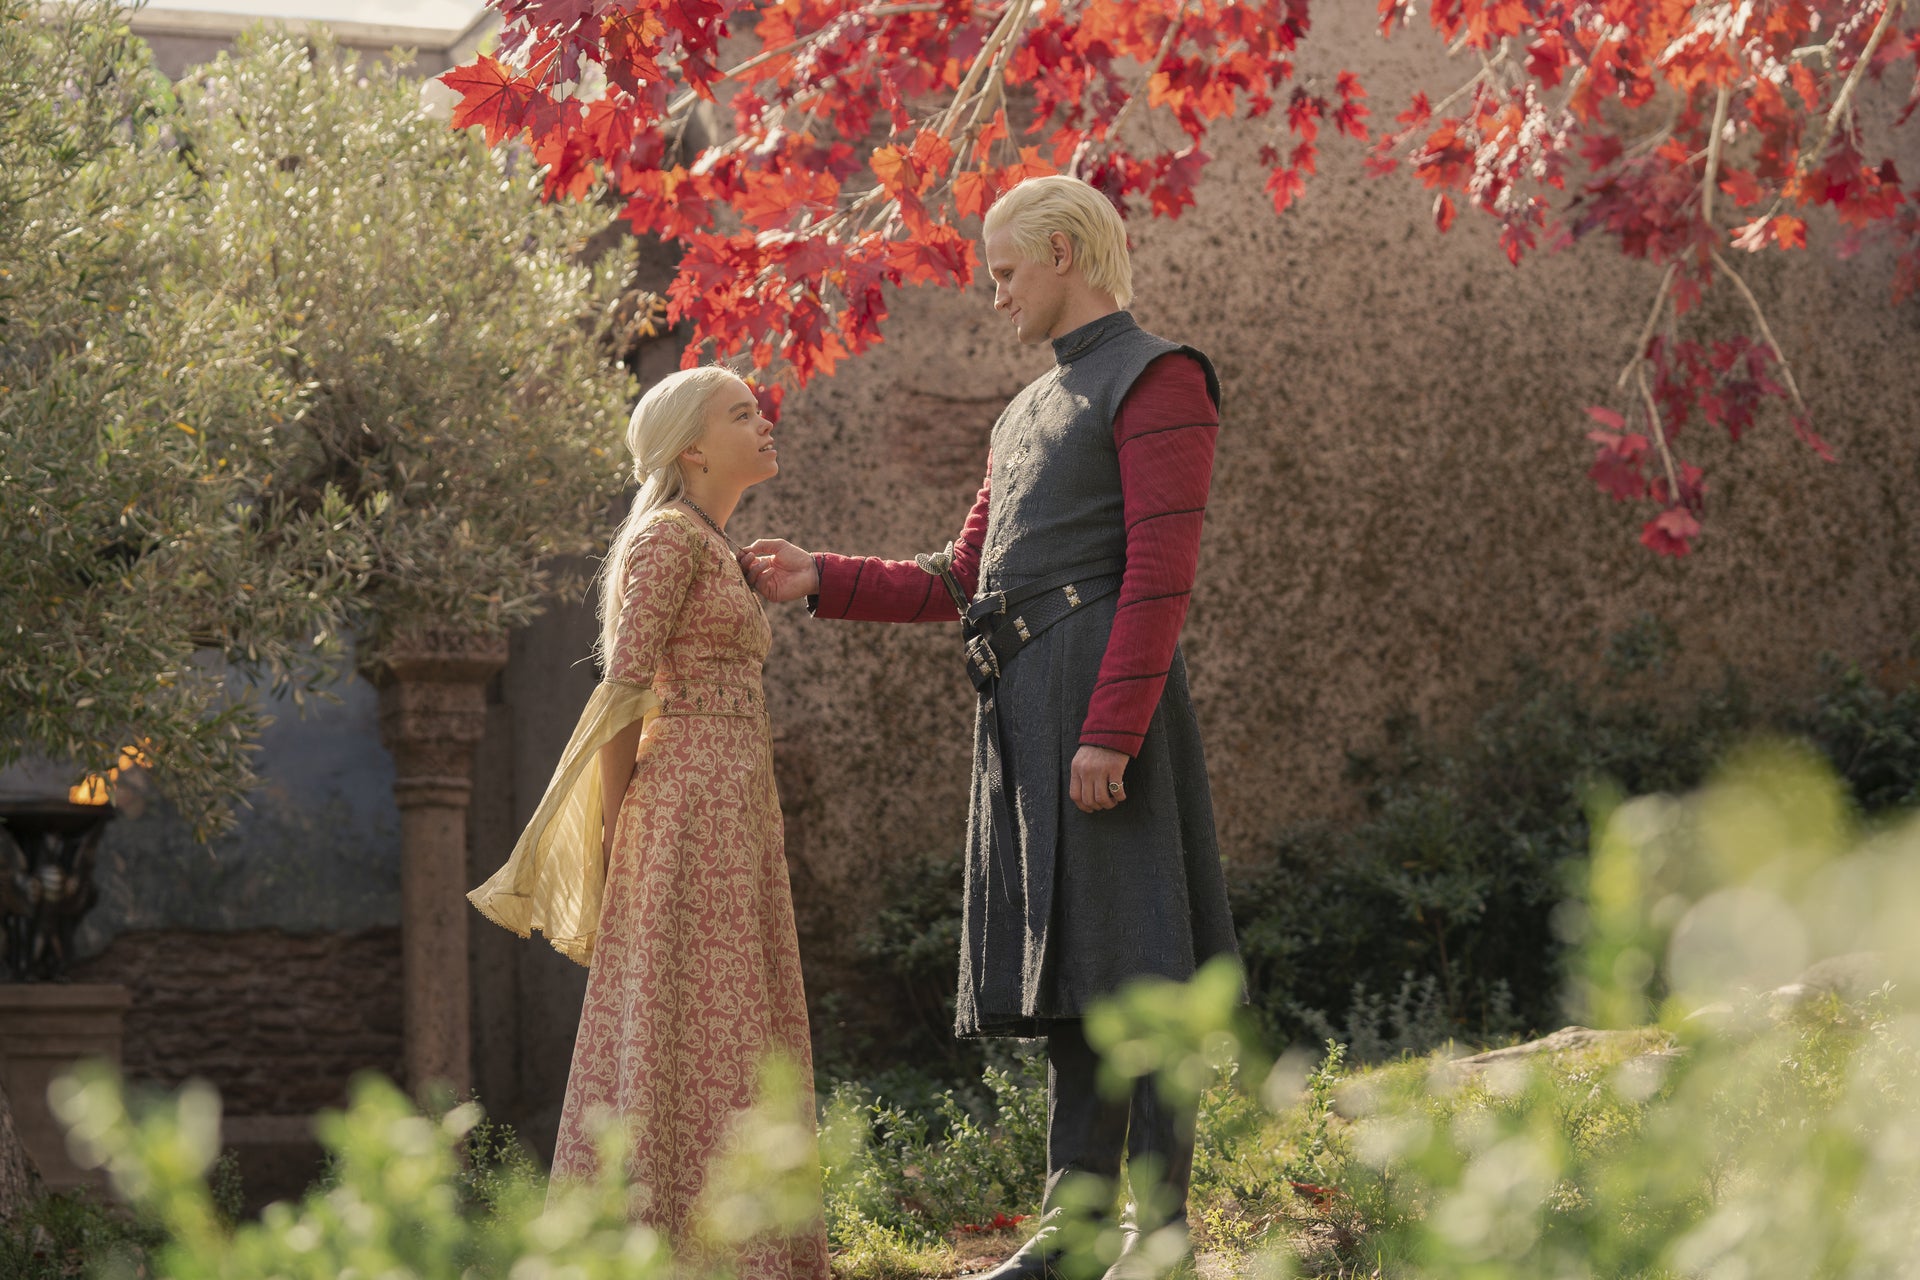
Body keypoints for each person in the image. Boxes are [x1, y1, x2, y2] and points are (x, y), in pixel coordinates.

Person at [743, 174, 1239, 1276]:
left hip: (1099, 702)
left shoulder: (1157, 378)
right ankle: (1070, 1234)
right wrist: (821, 574)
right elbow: (963, 575)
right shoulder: (1023, 409)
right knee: (1070, 981)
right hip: (1021, 707)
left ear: (1065, 253)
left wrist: (1111, 728)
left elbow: (1161, 574)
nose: (993, 290)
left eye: (1007, 270)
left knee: (1138, 971)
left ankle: (1159, 1237)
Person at [468, 367, 828, 1279]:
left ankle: (738, 1238)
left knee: (733, 1012)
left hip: (733, 801)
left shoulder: (710, 543)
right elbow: (624, 690)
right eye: (742, 412)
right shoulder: (669, 538)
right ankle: (677, 1246)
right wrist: (609, 828)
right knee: (684, 1014)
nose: (766, 420)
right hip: (686, 809)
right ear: (693, 447)